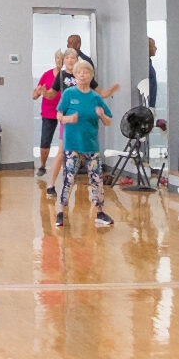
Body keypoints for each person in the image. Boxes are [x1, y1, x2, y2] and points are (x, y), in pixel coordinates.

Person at [52, 57, 114, 230]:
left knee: (96, 179)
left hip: (91, 146)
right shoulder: (69, 94)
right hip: (72, 145)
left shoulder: (95, 97)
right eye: (79, 72)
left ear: (90, 75)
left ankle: (100, 212)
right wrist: (67, 118)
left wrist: (102, 116)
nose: (82, 75)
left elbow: (108, 121)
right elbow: (58, 115)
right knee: (69, 178)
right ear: (75, 75)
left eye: (85, 72)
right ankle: (61, 211)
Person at [32, 48, 75, 176]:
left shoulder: (70, 75)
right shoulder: (47, 74)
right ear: (55, 59)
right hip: (49, 112)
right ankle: (43, 165)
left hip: (65, 113)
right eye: (58, 58)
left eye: (63, 58)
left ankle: (70, 168)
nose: (60, 61)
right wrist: (39, 92)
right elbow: (35, 95)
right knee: (45, 140)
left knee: (68, 142)